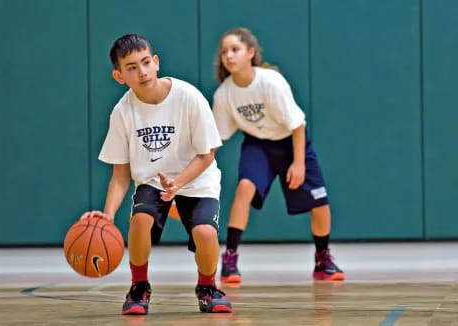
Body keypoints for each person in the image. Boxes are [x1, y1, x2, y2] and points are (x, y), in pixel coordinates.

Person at [81, 33, 232, 314]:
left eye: (146, 62)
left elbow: (207, 154)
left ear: (156, 62)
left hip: (197, 177)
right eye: (132, 67)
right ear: (119, 76)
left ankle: (208, 287)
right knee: (140, 220)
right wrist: (108, 216)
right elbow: (120, 175)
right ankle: (139, 287)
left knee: (205, 233)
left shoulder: (188, 97)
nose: (142, 72)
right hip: (153, 178)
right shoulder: (122, 112)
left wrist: (179, 182)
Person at [212, 27, 345, 283]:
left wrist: (298, 163)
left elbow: (297, 125)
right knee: (244, 188)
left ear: (250, 53)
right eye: (224, 52)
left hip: (291, 142)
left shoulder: (270, 82)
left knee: (320, 203)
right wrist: (194, 171)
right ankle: (229, 259)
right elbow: (216, 139)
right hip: (258, 145)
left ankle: (323, 259)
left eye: (235, 49)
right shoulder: (224, 94)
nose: (228, 56)